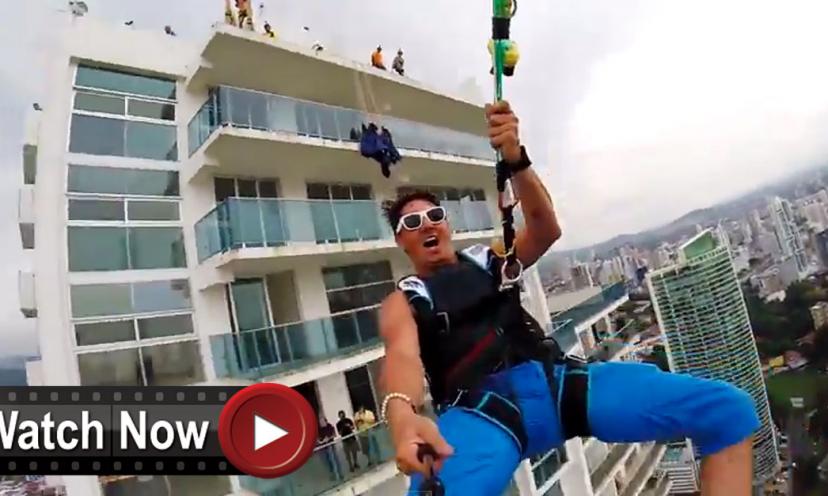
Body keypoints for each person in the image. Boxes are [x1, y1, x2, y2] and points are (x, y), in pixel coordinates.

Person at [378, 100, 761, 496]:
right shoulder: (405, 300)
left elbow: (545, 230)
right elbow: (401, 356)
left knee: (728, 411)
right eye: (412, 222)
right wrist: (403, 418)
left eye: (435, 216)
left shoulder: (490, 260)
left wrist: (517, 160)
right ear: (401, 240)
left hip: (558, 385)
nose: (427, 225)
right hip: (479, 413)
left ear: (447, 226)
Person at [317, 416, 342, 481]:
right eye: (320, 422)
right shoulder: (319, 429)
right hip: (323, 448)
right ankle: (333, 474)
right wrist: (321, 441)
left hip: (331, 446)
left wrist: (328, 438)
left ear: (325, 421)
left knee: (335, 460)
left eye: (322, 421)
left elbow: (334, 435)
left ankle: (339, 474)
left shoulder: (329, 426)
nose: (321, 423)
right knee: (327, 463)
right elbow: (318, 439)